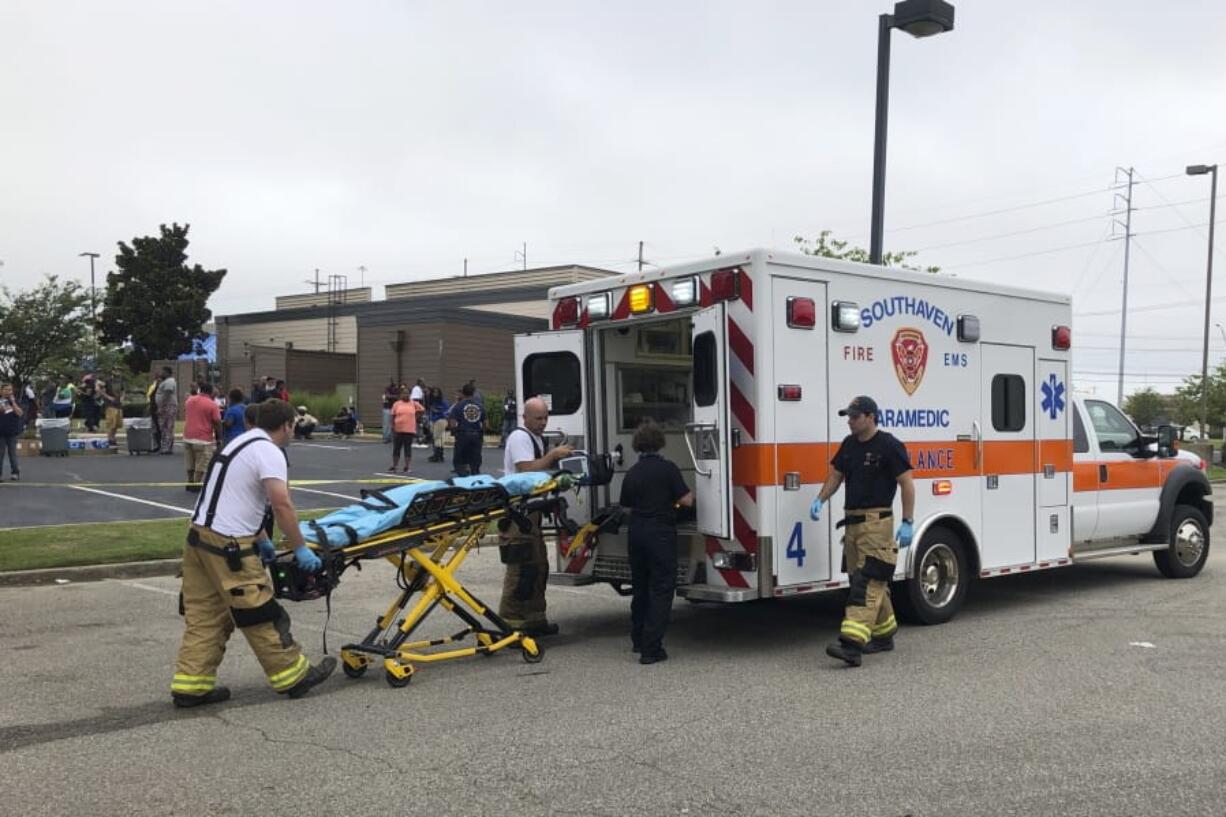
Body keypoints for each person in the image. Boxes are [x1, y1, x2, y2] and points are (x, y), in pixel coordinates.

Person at [171, 398, 335, 707]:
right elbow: (281, 503)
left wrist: (261, 538)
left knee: (206, 616)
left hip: (198, 541)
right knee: (258, 611)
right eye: (292, 427)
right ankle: (292, 675)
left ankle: (190, 685)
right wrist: (299, 547)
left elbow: (235, 497)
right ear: (287, 425)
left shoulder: (238, 444)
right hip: (229, 547)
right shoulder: (270, 452)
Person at [810, 396, 915, 668]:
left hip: (876, 524)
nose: (850, 421)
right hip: (853, 524)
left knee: (866, 583)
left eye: (855, 416)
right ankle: (884, 633)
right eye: (848, 416)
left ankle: (851, 645)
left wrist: (908, 521)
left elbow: (906, 484)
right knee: (862, 578)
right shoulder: (849, 445)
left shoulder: (889, 446)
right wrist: (820, 499)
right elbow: (835, 476)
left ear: (870, 417)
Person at [618, 419, 693, 664]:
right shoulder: (668, 469)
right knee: (661, 589)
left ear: (638, 445)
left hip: (636, 533)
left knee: (640, 587)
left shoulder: (632, 472)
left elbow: (625, 507)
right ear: (660, 443)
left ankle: (638, 639)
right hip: (660, 533)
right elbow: (687, 500)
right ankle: (652, 648)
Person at [498, 396, 574, 636]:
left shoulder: (536, 438)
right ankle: (511, 624)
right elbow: (526, 470)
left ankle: (534, 620)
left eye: (545, 418)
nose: (543, 422)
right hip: (518, 516)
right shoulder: (520, 437)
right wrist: (552, 456)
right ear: (525, 417)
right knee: (520, 569)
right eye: (538, 418)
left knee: (538, 566)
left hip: (531, 514)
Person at [182, 383, 222, 492]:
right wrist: (220, 438)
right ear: (210, 392)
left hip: (188, 435)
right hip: (203, 438)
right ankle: (196, 483)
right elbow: (217, 422)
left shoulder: (189, 400)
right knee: (201, 462)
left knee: (190, 461)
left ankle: (189, 482)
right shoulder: (212, 404)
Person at [448, 383, 486, 476]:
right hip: (476, 435)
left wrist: (454, 432)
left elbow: (452, 422)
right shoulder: (480, 406)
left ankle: (463, 477)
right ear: (473, 393)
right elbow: (486, 424)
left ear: (463, 393)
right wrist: (481, 433)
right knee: (475, 459)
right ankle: (475, 475)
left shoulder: (458, 406)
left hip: (463, 434)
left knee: (459, 459)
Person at [389, 389, 425, 473]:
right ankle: (395, 466)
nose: (406, 395)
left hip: (409, 429)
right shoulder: (397, 404)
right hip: (398, 429)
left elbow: (422, 410)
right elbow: (393, 415)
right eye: (404, 393)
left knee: (407, 448)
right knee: (396, 448)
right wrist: (392, 426)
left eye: (407, 393)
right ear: (401, 395)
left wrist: (416, 416)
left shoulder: (413, 403)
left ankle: (407, 466)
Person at [0, 382, 24, 482]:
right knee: (0, 454)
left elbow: (20, 413)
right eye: (6, 390)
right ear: (1, 391)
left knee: (12, 454)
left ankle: (15, 473)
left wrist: (13, 402)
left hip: (12, 432)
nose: (8, 392)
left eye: (10, 390)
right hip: (0, 432)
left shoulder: (15, 401)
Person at [155, 366, 178, 454]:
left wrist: (161, 406)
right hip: (166, 406)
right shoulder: (165, 382)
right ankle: (166, 447)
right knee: (164, 427)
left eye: (162, 372)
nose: (161, 374)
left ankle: (166, 448)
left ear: (167, 373)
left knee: (167, 427)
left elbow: (167, 394)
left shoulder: (169, 381)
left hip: (168, 406)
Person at [427, 387, 451, 463]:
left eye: (436, 392)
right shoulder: (432, 402)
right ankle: (437, 454)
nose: (435, 394)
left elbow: (447, 412)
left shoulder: (443, 402)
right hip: (433, 420)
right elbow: (430, 411)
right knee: (436, 438)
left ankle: (438, 455)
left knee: (437, 438)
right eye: (434, 392)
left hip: (440, 420)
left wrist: (437, 411)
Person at [101, 377, 124, 448]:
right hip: (110, 405)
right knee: (111, 422)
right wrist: (108, 397)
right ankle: (109, 439)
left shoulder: (120, 381)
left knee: (117, 423)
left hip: (118, 404)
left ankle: (113, 438)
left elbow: (123, 391)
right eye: (115, 370)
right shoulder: (107, 381)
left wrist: (122, 397)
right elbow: (101, 391)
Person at [381, 379, 399, 444]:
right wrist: (394, 396)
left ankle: (391, 437)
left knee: (393, 423)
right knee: (387, 424)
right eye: (394, 387)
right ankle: (386, 437)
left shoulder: (395, 391)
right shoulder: (387, 391)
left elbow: (397, 397)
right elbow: (388, 396)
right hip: (387, 408)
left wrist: (394, 396)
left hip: (393, 408)